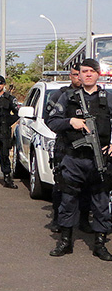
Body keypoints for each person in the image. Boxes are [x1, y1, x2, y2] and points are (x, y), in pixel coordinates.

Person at [47, 58, 112, 261]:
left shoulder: (108, 98)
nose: (88, 74)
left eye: (92, 71)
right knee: (67, 200)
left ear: (98, 74)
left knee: (101, 202)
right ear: (79, 75)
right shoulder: (67, 98)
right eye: (84, 71)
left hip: (99, 160)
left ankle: (100, 244)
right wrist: (70, 121)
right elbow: (52, 121)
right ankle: (65, 241)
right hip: (73, 159)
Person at [43, 66, 90, 232]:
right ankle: (58, 220)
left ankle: (84, 220)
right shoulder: (61, 95)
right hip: (64, 146)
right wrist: (69, 122)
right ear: (71, 76)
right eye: (75, 75)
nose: (79, 78)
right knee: (62, 186)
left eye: (81, 74)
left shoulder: (92, 96)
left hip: (87, 148)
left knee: (86, 186)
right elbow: (49, 119)